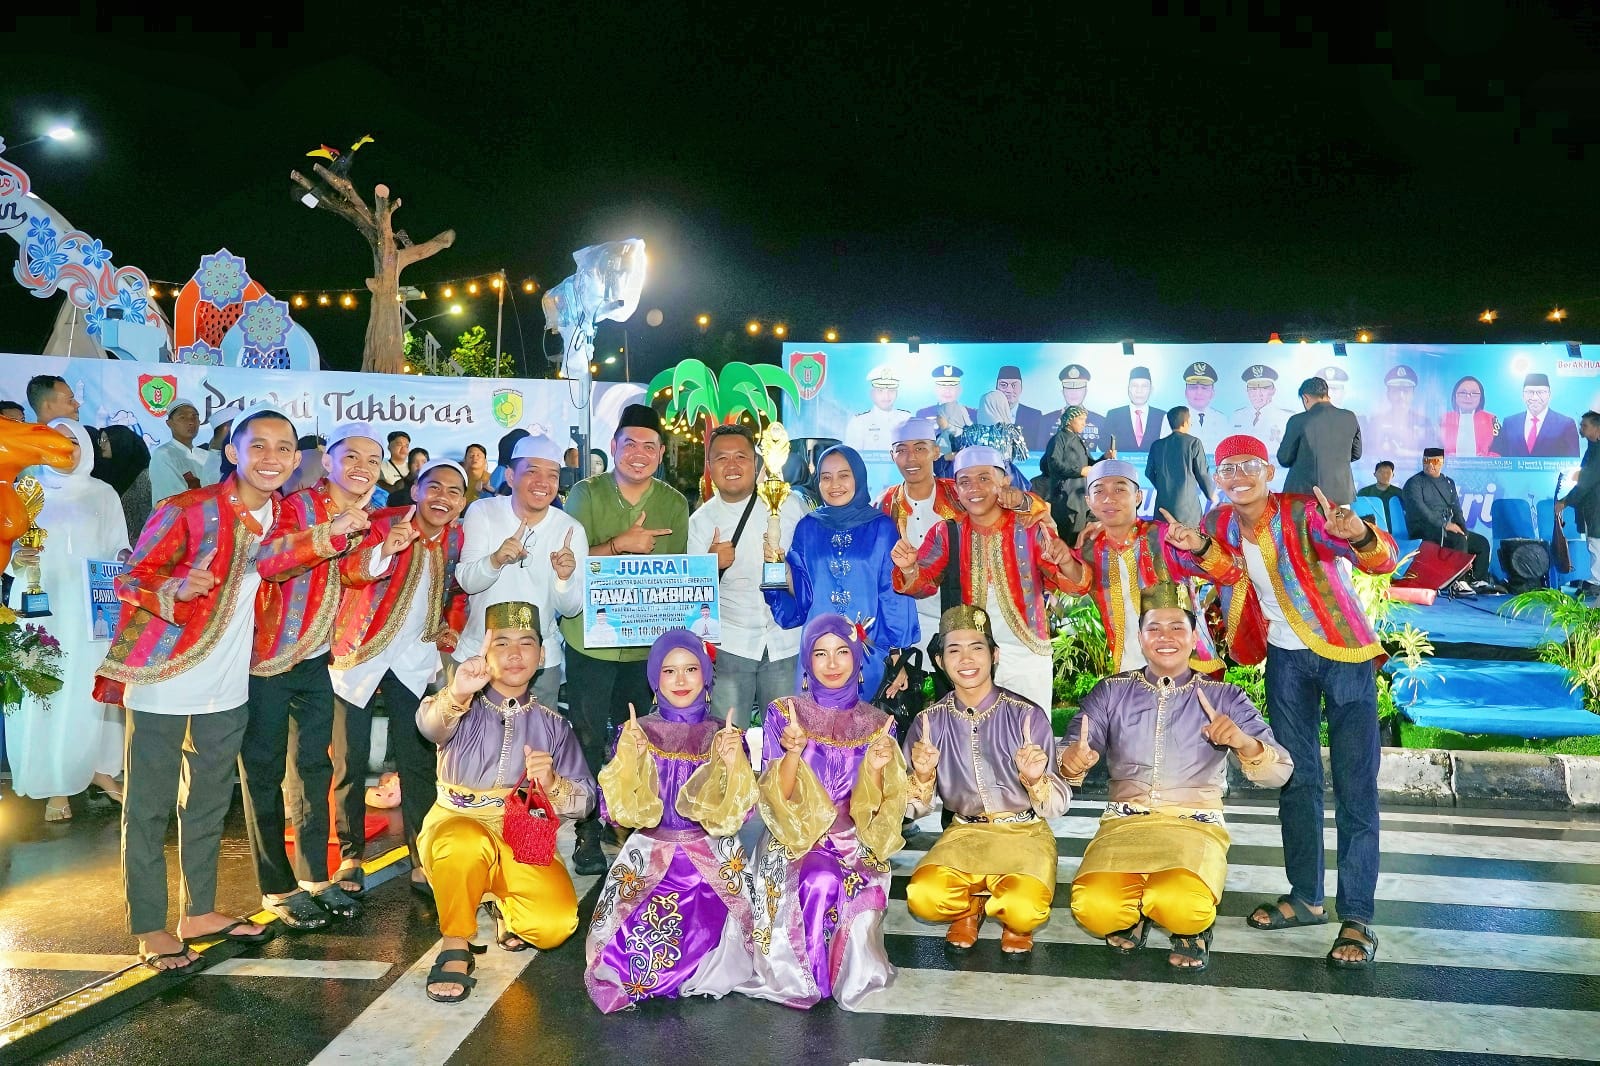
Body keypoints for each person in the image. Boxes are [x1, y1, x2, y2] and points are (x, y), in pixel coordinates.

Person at [94, 403, 357, 973]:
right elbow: (131, 577)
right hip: (165, 675)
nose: (272, 457)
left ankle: (200, 912)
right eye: (257, 445)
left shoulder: (285, 516)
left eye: (284, 448)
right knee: (148, 807)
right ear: (232, 452)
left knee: (210, 803)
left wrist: (328, 537)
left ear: (295, 461)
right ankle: (149, 925)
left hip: (230, 685)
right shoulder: (187, 509)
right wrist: (175, 585)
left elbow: (278, 560)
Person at [1200, 433, 1397, 968]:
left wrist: (1359, 535)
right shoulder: (1217, 523)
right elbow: (1207, 566)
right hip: (1284, 659)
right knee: (1295, 778)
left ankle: (1356, 915)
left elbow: (1380, 560)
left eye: (1248, 466)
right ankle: (1307, 897)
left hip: (1347, 653)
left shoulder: (1304, 512)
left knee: (1357, 787)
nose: (1238, 476)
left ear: (1268, 471)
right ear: (1217, 477)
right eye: (1227, 468)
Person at [1061, 582, 1293, 972]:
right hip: (1125, 824)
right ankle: (1134, 912)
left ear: (1193, 635)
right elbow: (1071, 751)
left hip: (1194, 826)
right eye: (1154, 628)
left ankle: (1190, 929)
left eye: (1176, 627)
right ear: (1140, 637)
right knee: (1094, 908)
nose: (1165, 637)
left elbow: (1279, 772)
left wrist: (1242, 742)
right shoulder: (1111, 691)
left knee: (1181, 905)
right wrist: (1073, 760)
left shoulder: (1224, 696)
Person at [239, 421, 385, 932]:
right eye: (353, 457)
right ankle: (276, 886)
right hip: (267, 658)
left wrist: (384, 549)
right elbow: (270, 562)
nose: (363, 468)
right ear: (328, 462)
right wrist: (330, 534)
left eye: (373, 460)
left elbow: (349, 574)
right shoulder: (296, 506)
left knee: (312, 769)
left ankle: (313, 878)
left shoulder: (359, 515)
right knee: (262, 772)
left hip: (317, 659)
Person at [415, 602, 595, 1003]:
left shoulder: (554, 724)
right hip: (456, 822)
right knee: (464, 843)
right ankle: (455, 943)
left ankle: (504, 907)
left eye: (527, 643)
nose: (515, 654)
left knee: (554, 925)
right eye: (503, 644)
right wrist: (459, 690)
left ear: (543, 655)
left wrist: (552, 782)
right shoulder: (462, 704)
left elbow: (585, 803)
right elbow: (429, 726)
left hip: (521, 831)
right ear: (485, 650)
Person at [738, 614, 908, 1010]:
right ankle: (807, 978)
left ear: (857, 660)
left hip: (853, 839)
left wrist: (881, 770)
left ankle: (836, 969)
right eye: (820, 654)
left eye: (842, 653)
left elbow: (880, 807)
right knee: (819, 878)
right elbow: (776, 795)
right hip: (794, 836)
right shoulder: (785, 713)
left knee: (843, 880)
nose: (832, 664)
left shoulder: (879, 723)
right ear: (806, 662)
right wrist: (793, 753)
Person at [585, 630, 759, 1012]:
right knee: (630, 963)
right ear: (654, 679)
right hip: (650, 855)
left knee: (719, 948)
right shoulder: (637, 732)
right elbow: (617, 812)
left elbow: (737, 815)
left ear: (707, 676)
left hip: (710, 858)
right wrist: (629, 758)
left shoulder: (723, 734)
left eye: (691, 669)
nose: (681, 680)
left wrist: (732, 765)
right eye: (669, 671)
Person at [329, 460, 472, 898]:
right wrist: (385, 549)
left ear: (462, 502)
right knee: (349, 760)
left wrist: (449, 627)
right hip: (359, 653)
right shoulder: (380, 523)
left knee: (417, 762)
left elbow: (457, 590)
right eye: (434, 487)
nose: (442, 497)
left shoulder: (456, 538)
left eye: (453, 491)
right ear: (415, 491)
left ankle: (421, 856)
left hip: (412, 658)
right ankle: (351, 856)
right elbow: (349, 570)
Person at [560, 404, 689, 875]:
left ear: (661, 454)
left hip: (645, 645)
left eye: (649, 447)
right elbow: (569, 561)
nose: (639, 454)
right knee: (588, 737)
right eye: (629, 444)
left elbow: (673, 580)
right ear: (613, 447)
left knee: (640, 738)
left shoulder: (675, 504)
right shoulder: (584, 494)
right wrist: (619, 546)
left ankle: (637, 825)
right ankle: (587, 831)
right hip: (589, 640)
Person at [903, 605, 1069, 954]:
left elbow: (1056, 806)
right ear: (939, 661)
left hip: (1024, 832)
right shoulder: (928, 722)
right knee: (923, 896)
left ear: (994, 655)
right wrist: (921, 775)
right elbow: (912, 810)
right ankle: (968, 908)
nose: (966, 658)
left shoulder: (1026, 716)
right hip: (964, 833)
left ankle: (1013, 919)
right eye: (954, 650)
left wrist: (1035, 780)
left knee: (1025, 908)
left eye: (976, 647)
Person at [3, 419, 127, 822]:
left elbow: (118, 546)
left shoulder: (103, 493)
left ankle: (99, 769)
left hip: (90, 606)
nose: (66, 449)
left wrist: (125, 562)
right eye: (58, 441)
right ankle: (56, 782)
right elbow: (7, 542)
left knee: (91, 685)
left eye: (74, 441)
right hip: (41, 604)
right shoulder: (25, 489)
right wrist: (15, 559)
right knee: (48, 686)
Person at [891, 447, 1075, 710]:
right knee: (977, 743)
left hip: (1027, 655)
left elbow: (1075, 584)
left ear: (1004, 482)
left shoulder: (1029, 527)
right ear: (957, 490)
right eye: (965, 482)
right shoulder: (947, 531)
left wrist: (1066, 560)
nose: (974, 488)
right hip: (972, 659)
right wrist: (909, 568)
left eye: (984, 479)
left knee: (1032, 741)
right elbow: (924, 583)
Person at [764, 444, 919, 699]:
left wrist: (897, 656)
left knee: (863, 731)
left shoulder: (881, 528)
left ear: (858, 477)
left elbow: (891, 594)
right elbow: (801, 592)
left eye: (844, 475)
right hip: (817, 655)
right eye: (826, 477)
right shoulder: (808, 527)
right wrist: (775, 565)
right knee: (814, 732)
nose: (834, 484)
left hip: (867, 654)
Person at [876, 418, 1045, 651]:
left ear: (936, 452)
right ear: (891, 455)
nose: (911, 458)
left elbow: (1027, 509)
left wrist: (1024, 500)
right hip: (905, 617)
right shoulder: (883, 504)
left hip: (960, 615)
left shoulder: (961, 492)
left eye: (920, 448)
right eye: (901, 450)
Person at [1059, 460, 1233, 675]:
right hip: (1127, 671)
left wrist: (1199, 545)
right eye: (1099, 491)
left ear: (1138, 497)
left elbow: (1227, 572)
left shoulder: (1162, 537)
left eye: (1120, 489)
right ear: (1089, 501)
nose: (1109, 498)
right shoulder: (1088, 549)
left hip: (1188, 669)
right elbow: (1074, 585)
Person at [456, 434, 585, 712]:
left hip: (539, 661)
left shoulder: (570, 529)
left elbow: (572, 608)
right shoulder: (483, 512)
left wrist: (564, 579)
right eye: (532, 472)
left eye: (552, 475)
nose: (543, 483)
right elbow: (466, 581)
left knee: (537, 747)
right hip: (479, 654)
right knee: (471, 745)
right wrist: (495, 560)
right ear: (511, 476)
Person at [689, 424, 805, 728]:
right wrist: (711, 565)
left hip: (786, 640)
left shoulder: (789, 505)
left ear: (755, 462)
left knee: (786, 739)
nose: (731, 465)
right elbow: (690, 594)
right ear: (710, 467)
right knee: (728, 740)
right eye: (721, 458)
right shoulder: (701, 522)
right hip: (731, 644)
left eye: (740, 456)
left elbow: (811, 570)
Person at [1402, 448, 1493, 589]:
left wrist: (1464, 529)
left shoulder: (1448, 483)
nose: (1430, 465)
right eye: (1426, 461)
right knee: (1458, 540)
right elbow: (1420, 510)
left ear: (1442, 462)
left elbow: (1456, 509)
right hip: (1424, 529)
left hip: (1446, 528)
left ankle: (1478, 580)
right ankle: (1458, 582)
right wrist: (1444, 524)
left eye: (1434, 461)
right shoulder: (1414, 483)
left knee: (1481, 543)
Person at [1278, 376, 1362, 504]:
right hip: (1342, 497)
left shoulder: (1298, 420)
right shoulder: (1350, 417)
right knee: (1340, 525)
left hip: (1304, 498)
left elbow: (1284, 458)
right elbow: (1356, 454)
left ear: (1305, 398)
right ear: (1326, 395)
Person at [1040, 405, 1115, 545]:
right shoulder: (1059, 439)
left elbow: (1090, 465)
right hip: (1065, 499)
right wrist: (1078, 471)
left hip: (1080, 498)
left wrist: (1104, 457)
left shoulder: (1079, 440)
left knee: (1077, 540)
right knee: (1066, 541)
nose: (1084, 423)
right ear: (1069, 420)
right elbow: (1054, 464)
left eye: (1085, 420)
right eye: (1080, 419)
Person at [1144, 405, 1216, 527]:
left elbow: (1148, 472)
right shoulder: (1194, 443)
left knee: (1163, 541)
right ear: (1186, 422)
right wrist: (1211, 494)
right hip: (1188, 511)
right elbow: (1202, 473)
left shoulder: (1157, 445)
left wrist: (1163, 487)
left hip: (1162, 509)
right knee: (1191, 542)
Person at [149, 399, 222, 505]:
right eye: (182, 417)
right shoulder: (163, 454)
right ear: (169, 423)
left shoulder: (207, 456)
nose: (191, 422)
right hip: (180, 519)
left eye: (194, 416)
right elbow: (173, 500)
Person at [1557, 412, 1600, 592]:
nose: (1581, 429)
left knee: (1596, 542)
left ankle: (1597, 581)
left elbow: (1586, 481)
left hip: (1597, 505)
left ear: (1597, 428)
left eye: (1584, 426)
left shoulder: (1597, 451)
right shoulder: (1593, 448)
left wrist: (1565, 501)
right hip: (1592, 505)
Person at [91, 424, 154, 546]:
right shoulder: (105, 474)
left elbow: (151, 519)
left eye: (106, 440)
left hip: (142, 548)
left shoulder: (145, 477)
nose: (102, 445)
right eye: (101, 440)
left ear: (121, 442)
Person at [1494, 372, 1580, 457]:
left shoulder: (1566, 424)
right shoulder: (1509, 423)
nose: (1534, 398)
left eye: (1541, 392)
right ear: (1523, 395)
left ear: (1549, 395)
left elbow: (1572, 461)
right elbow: (1500, 457)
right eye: (1530, 392)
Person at [1364, 364, 1433, 464]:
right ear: (1388, 394)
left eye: (1406, 391)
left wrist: (1407, 453)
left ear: (1413, 394)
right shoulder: (1376, 421)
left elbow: (1432, 455)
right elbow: (1367, 453)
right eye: (1396, 391)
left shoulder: (1424, 422)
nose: (1401, 396)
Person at [947, 390, 1030, 467]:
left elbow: (959, 454)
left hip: (979, 475)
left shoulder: (970, 432)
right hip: (1006, 476)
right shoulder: (1012, 431)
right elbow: (1023, 457)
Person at [844, 365, 913, 452]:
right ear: (872, 393)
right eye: (880, 391)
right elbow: (851, 457)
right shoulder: (859, 422)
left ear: (897, 393)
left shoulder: (907, 419)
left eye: (891, 391)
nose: (886, 396)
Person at [1041, 364, 1108, 452]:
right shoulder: (1046, 420)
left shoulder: (1099, 420)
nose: (1074, 393)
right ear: (1063, 391)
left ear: (1086, 392)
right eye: (1069, 389)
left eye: (1079, 389)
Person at [1103, 366, 1168, 452]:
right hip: (1121, 465)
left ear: (1151, 389)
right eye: (1134, 386)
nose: (1139, 390)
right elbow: (1104, 444)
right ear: (1128, 388)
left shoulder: (1162, 416)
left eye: (1144, 386)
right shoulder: (1114, 415)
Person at [1230, 364, 1292, 453]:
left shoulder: (1287, 417)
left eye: (1264, 388)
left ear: (1273, 391)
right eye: (1253, 388)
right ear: (1247, 391)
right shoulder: (1237, 416)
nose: (1258, 394)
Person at [1441, 375, 1499, 457]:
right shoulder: (1444, 419)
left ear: (1481, 397)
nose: (1468, 397)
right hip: (1449, 468)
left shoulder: (1492, 419)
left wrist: (1485, 459)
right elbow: (1434, 448)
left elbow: (1501, 449)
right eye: (1463, 392)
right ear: (1455, 396)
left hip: (1483, 468)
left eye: (1474, 393)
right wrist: (1447, 457)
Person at [1180, 361, 1228, 459]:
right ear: (1185, 392)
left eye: (1204, 388)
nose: (1199, 393)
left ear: (1212, 393)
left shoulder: (1221, 419)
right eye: (1193, 388)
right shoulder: (1173, 418)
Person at [996, 364, 1047, 449]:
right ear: (996, 388)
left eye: (1014, 385)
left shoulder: (1035, 416)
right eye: (1003, 385)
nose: (1009, 390)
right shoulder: (987, 414)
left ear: (1021, 389)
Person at [916, 363, 975, 428]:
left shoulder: (973, 414)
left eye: (952, 386)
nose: (947, 390)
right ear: (935, 389)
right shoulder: (923, 414)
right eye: (942, 386)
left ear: (959, 390)